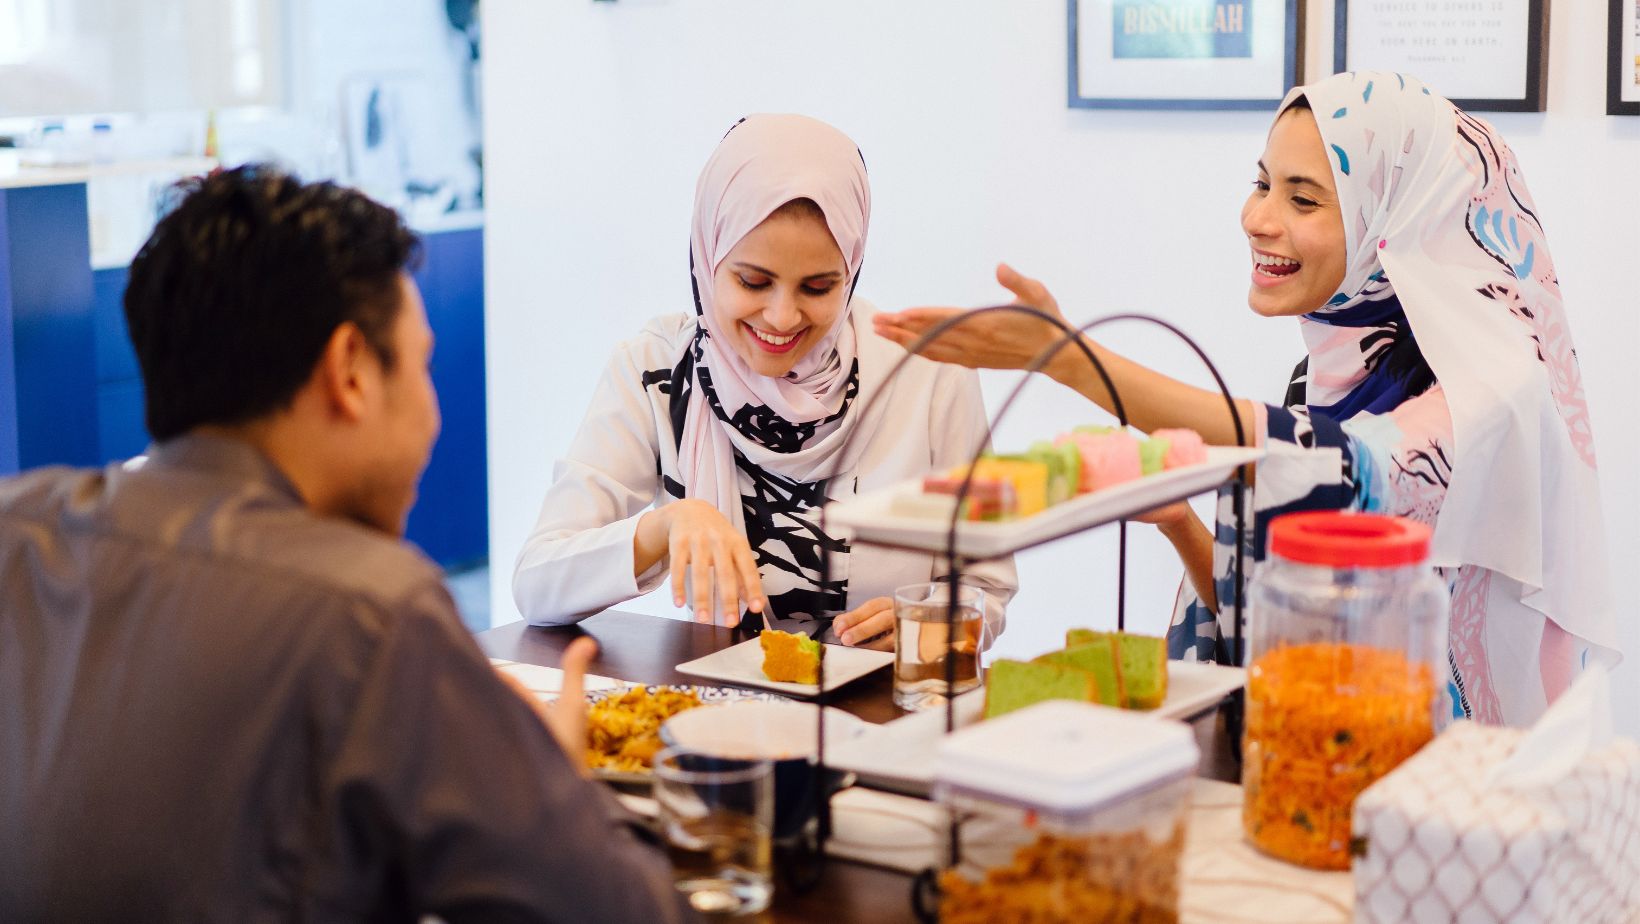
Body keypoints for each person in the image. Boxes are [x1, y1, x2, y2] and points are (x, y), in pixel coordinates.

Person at [0, 166, 696, 922]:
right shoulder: (372, 610)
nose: (432, 414)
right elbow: (614, 911)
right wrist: (561, 784)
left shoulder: (17, 529)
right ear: (351, 373)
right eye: (422, 364)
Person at [873, 71, 1616, 727]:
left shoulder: (1497, 394)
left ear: (1395, 225)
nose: (1258, 219)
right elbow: (1269, 627)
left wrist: (1070, 361)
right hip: (1324, 772)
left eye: (1304, 198)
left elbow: (1347, 468)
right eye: (1262, 183)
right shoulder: (1324, 381)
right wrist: (1184, 528)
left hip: (1449, 812)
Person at [514, 114, 1016, 649]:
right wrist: (664, 527)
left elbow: (987, 588)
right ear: (708, 259)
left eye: (818, 287)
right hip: (719, 718)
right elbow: (537, 583)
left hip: (879, 715)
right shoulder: (658, 373)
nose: (781, 317)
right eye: (753, 281)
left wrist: (932, 621)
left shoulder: (929, 372)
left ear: (852, 271)